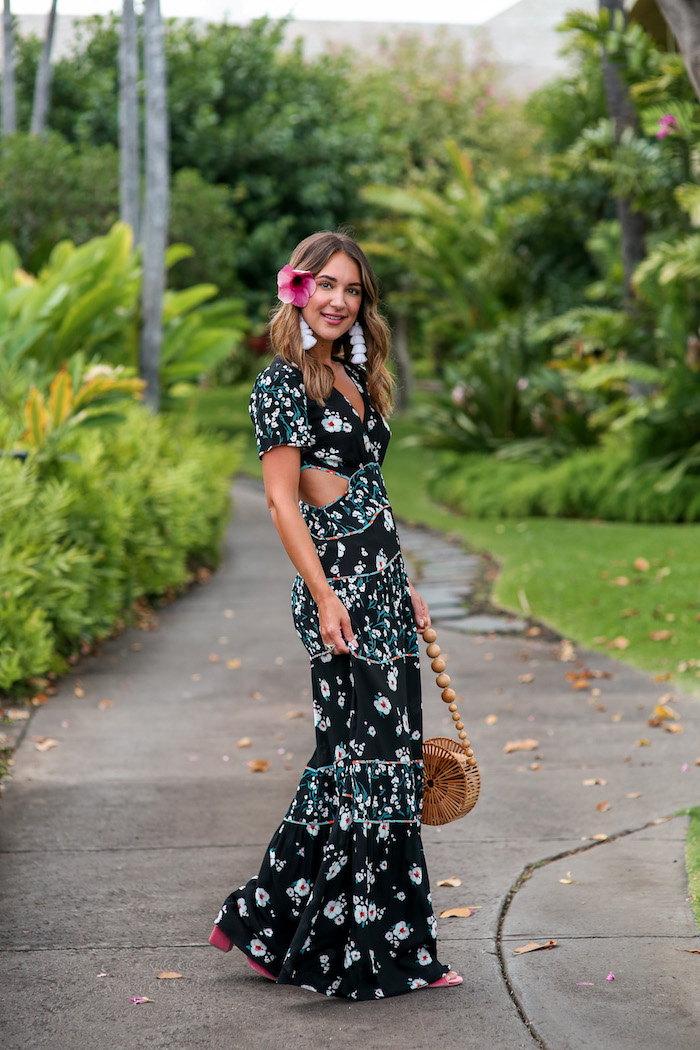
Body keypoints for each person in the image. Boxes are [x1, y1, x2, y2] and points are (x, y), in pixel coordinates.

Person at [209, 231, 462, 1000]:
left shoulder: (354, 378)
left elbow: (372, 495)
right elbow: (283, 501)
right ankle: (368, 951)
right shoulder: (281, 383)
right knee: (372, 769)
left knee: (355, 765)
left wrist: (405, 580)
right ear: (297, 288)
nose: (338, 300)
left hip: (381, 586)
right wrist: (324, 594)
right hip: (340, 592)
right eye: (325, 284)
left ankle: (265, 922)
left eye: (352, 290)